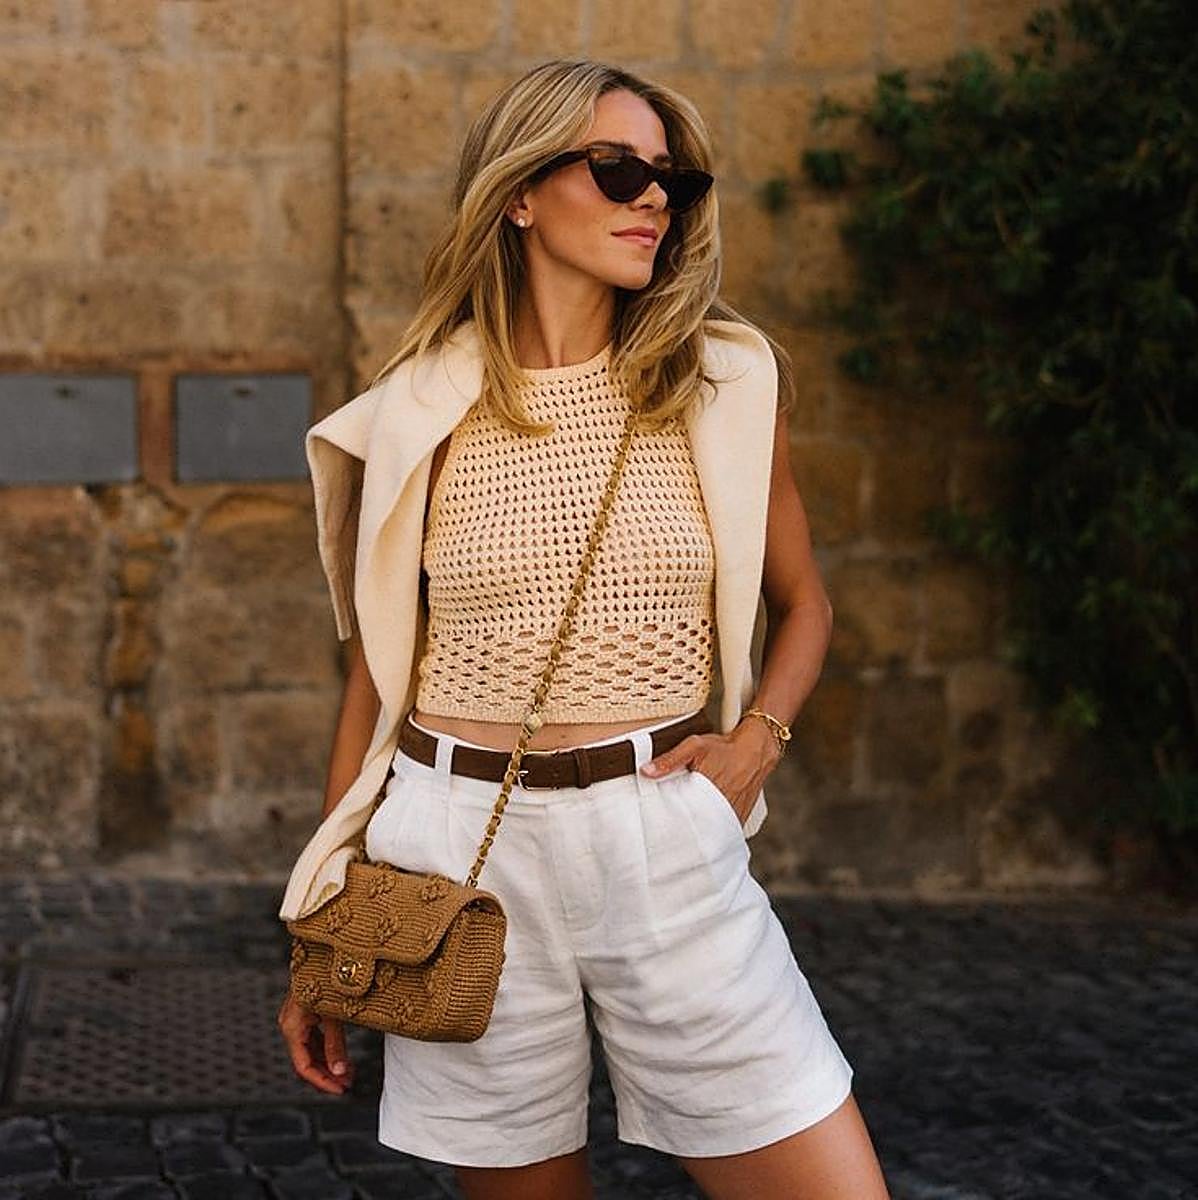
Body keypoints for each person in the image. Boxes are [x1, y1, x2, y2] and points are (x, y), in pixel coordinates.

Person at [278, 57, 891, 1200]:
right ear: (519, 192)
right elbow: (375, 677)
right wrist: (326, 922)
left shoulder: (722, 382)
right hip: (456, 853)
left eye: (671, 180)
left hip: (659, 834)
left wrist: (756, 743)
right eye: (616, 169)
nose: (652, 196)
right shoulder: (420, 408)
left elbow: (805, 602)